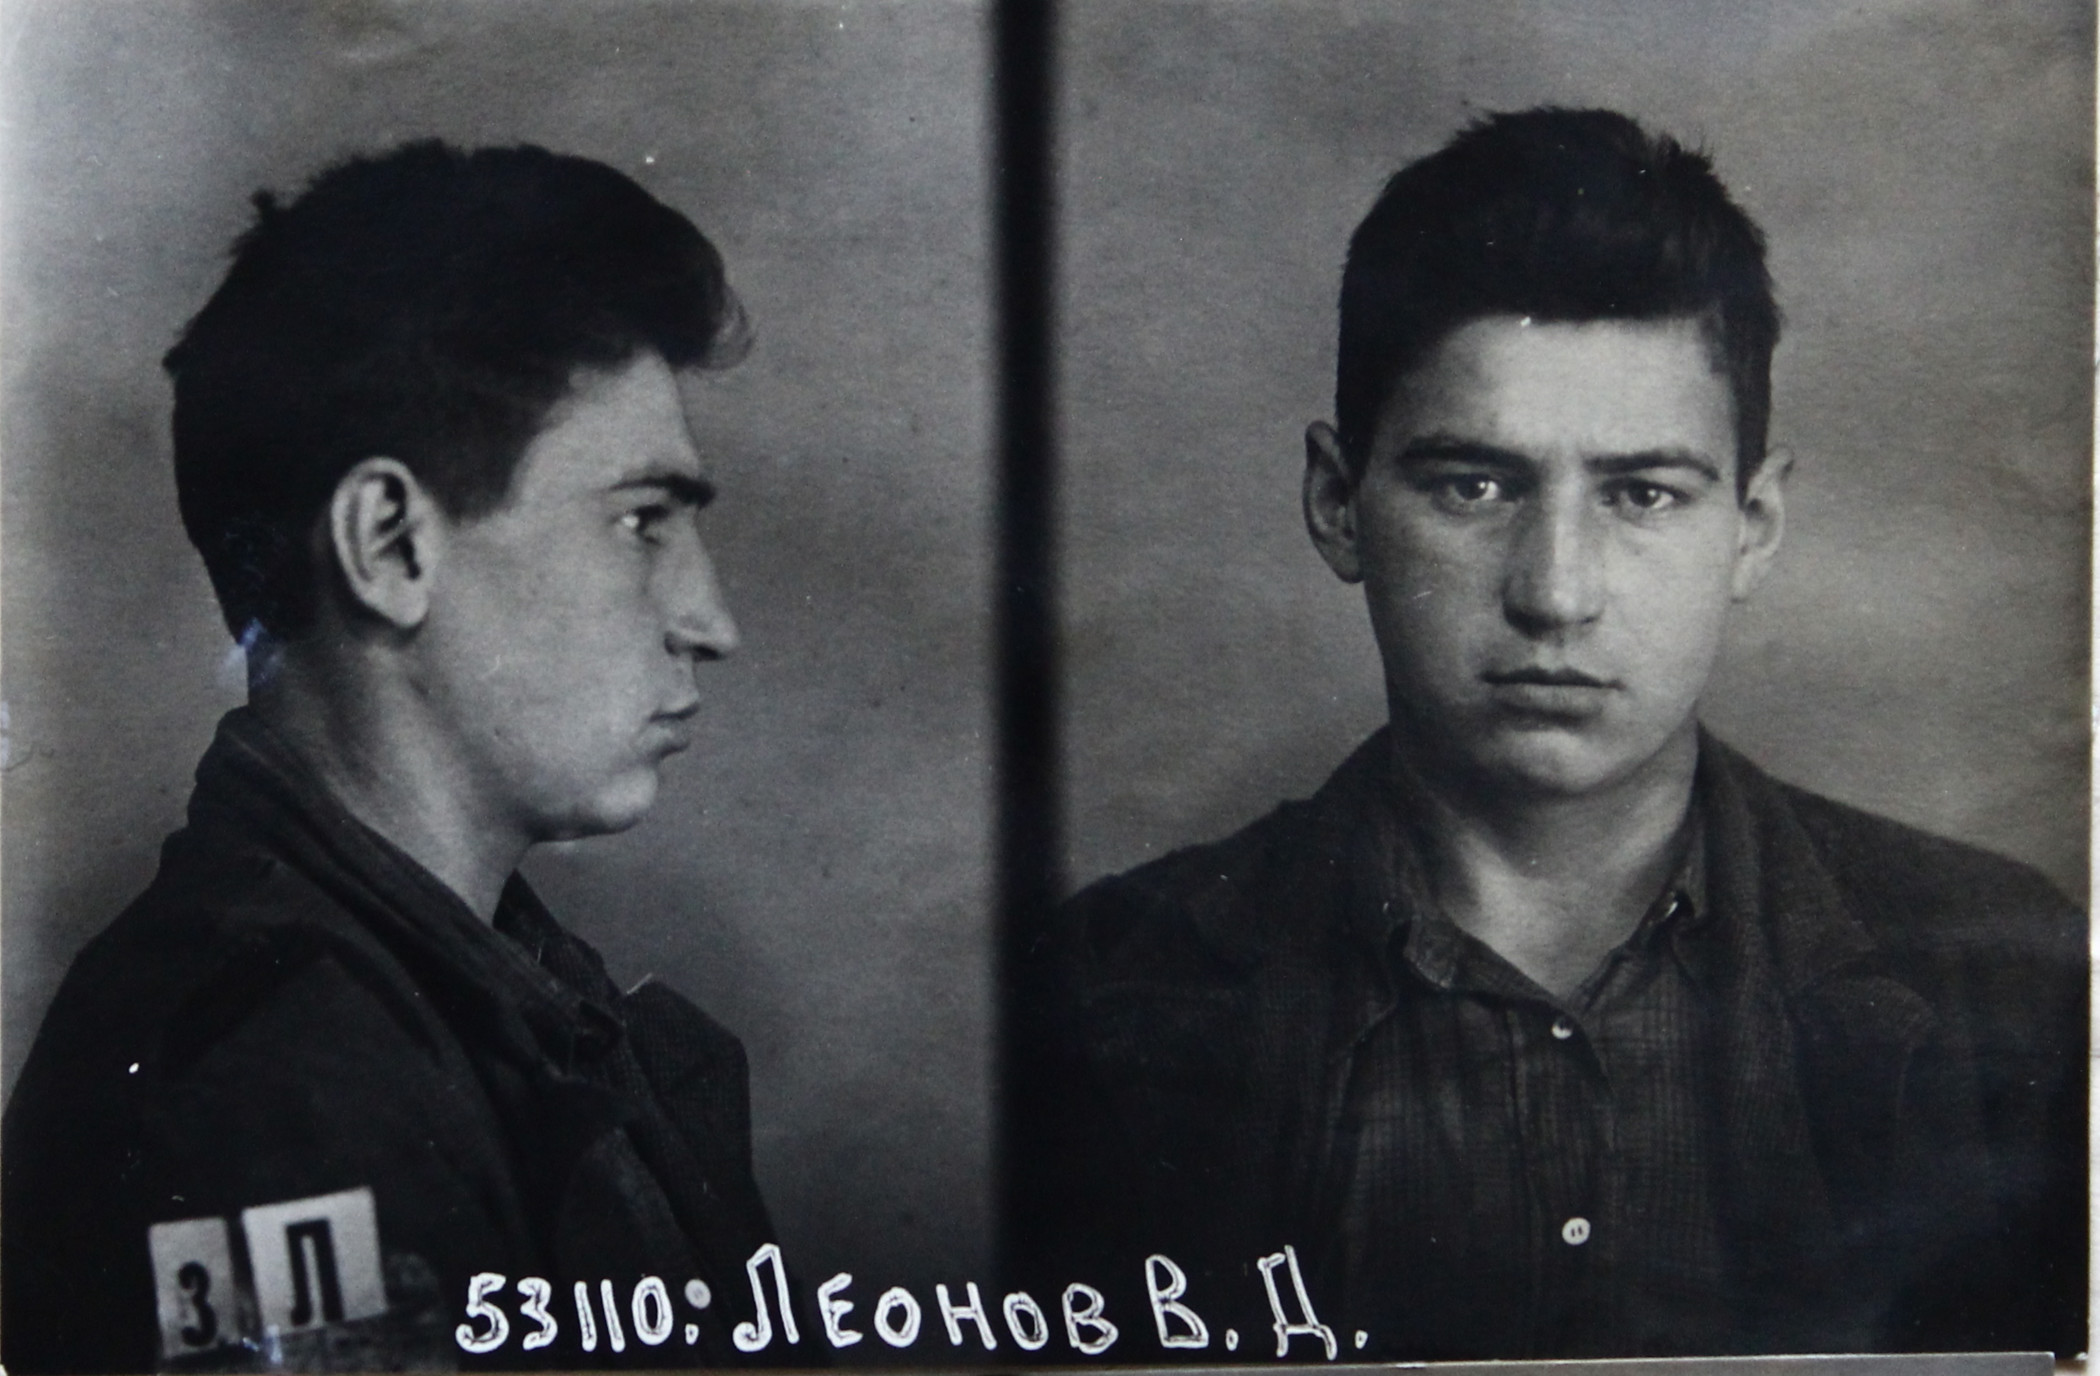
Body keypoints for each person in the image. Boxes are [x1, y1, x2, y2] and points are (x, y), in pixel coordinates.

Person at [1008, 108, 2085, 1361]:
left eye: (1643, 493)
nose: (1556, 591)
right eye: (1474, 485)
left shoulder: (2009, 976)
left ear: (1753, 527)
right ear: (1338, 503)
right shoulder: (1110, 990)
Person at [3, 141, 795, 1371]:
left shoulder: (472, 995)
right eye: (640, 521)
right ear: (390, 546)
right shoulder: (263, 1097)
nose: (711, 621)